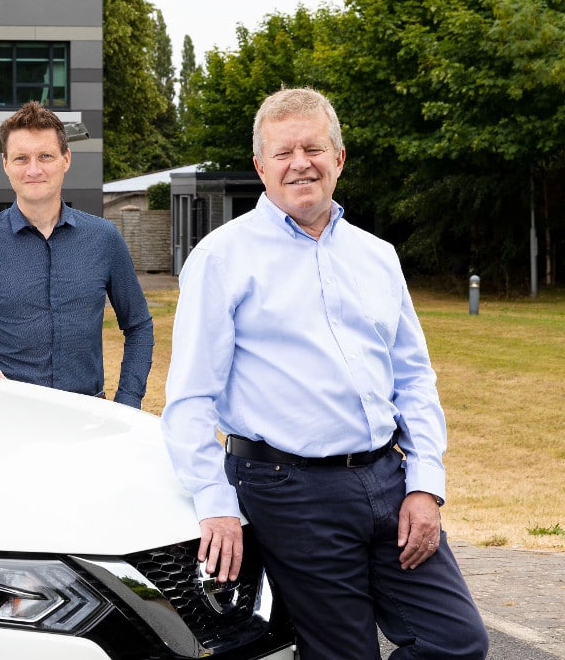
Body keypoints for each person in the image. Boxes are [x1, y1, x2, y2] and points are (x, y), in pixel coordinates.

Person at [161, 88, 488, 659]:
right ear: (261, 167)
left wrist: (426, 487)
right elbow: (190, 398)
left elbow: (412, 376)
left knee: (455, 643)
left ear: (339, 158)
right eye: (283, 152)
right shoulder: (221, 258)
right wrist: (216, 501)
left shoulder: (376, 255)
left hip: (389, 479)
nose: (300, 163)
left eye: (313, 147)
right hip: (289, 491)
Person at [0, 101, 154, 408]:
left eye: (45, 156)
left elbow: (138, 325)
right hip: (8, 418)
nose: (34, 169)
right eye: (21, 158)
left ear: (66, 159)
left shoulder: (104, 239)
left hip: (87, 417)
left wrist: (127, 402)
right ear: (5, 164)